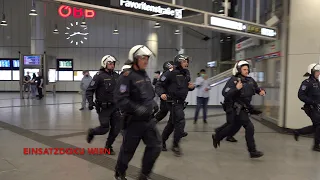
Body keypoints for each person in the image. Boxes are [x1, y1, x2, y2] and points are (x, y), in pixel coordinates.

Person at [113, 45, 161, 180]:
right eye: (143, 58)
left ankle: (144, 174)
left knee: (156, 146)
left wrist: (152, 103)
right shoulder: (126, 77)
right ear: (134, 59)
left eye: (147, 58)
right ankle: (120, 172)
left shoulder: (144, 75)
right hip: (134, 121)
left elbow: (147, 94)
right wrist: (136, 108)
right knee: (128, 151)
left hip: (148, 121)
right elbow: (120, 99)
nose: (146, 61)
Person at [212, 60, 265, 158]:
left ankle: (217, 136)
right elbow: (225, 93)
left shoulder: (250, 80)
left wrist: (261, 91)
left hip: (244, 108)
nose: (246, 71)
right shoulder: (234, 80)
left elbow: (257, 89)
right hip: (235, 108)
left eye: (247, 69)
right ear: (239, 70)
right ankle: (252, 151)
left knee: (233, 127)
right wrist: (236, 88)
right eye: (244, 69)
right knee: (249, 127)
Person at [155, 54, 195, 156]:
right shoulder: (170, 73)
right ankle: (175, 145)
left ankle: (162, 141)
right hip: (173, 102)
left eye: (187, 61)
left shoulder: (186, 73)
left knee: (172, 124)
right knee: (180, 122)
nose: (186, 63)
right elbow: (159, 84)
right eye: (184, 61)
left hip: (181, 103)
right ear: (179, 62)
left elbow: (184, 86)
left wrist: (191, 87)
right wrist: (162, 94)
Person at [86, 55, 121, 155]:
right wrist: (90, 102)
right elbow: (89, 90)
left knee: (116, 129)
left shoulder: (116, 76)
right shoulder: (99, 76)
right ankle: (92, 132)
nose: (112, 65)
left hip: (115, 107)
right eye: (110, 63)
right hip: (104, 108)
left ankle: (108, 147)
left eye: (113, 63)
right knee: (105, 128)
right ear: (104, 64)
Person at [293, 63, 320, 152]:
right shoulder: (306, 83)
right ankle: (316, 146)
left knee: (317, 126)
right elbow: (301, 95)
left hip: (316, 107)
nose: (318, 73)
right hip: (310, 108)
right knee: (318, 125)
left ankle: (298, 132)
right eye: (317, 71)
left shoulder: (317, 82)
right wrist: (311, 102)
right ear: (311, 72)